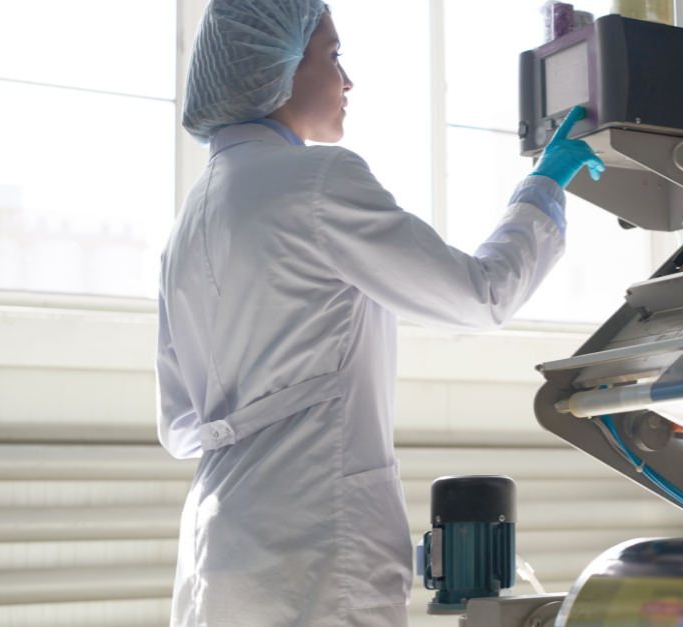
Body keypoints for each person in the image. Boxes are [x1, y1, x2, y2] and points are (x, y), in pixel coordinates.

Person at [156, 1, 604, 625]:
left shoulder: (192, 218)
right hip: (314, 542)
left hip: (220, 539)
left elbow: (179, 421)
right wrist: (547, 184)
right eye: (334, 56)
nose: (348, 81)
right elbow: (481, 295)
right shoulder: (316, 180)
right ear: (277, 66)